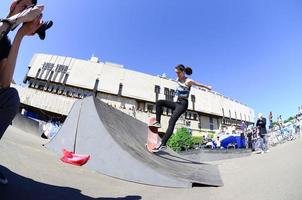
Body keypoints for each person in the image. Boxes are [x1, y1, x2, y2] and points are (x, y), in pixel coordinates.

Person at [0, 0, 46, 185]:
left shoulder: (5, 42)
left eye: (30, 9)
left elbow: (4, 83)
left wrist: (19, 35)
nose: (27, 11)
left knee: (10, 97)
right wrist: (13, 21)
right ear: (12, 6)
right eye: (23, 6)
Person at [151, 64, 212, 152]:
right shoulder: (177, 79)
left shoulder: (189, 81)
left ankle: (163, 144)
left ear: (183, 72)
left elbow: (199, 84)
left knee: (171, 121)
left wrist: (207, 87)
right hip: (176, 103)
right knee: (159, 102)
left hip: (183, 104)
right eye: (176, 73)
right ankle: (158, 122)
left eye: (178, 72)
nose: (177, 74)